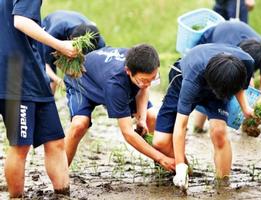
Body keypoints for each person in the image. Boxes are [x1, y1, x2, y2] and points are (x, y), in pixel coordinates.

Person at [0, 0, 78, 198]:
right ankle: (16, 197)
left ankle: (63, 195)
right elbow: (21, 21)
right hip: (16, 76)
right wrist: (60, 45)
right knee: (20, 144)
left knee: (55, 141)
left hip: (33, 74)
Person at [152, 43, 254, 190]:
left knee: (219, 132)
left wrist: (245, 108)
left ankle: (223, 186)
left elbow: (240, 86)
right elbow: (181, 125)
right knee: (161, 142)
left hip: (221, 81)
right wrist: (180, 165)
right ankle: (184, 172)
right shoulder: (192, 79)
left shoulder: (246, 63)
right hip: (183, 79)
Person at [64, 44, 175, 171]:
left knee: (152, 117)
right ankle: (61, 176)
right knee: (79, 125)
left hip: (105, 75)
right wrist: (161, 158)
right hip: (82, 81)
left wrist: (141, 119)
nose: (148, 83)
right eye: (144, 80)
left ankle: (163, 168)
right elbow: (128, 133)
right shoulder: (116, 85)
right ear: (128, 71)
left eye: (152, 78)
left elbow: (144, 88)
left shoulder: (146, 64)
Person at [193, 20, 261, 133]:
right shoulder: (224, 52)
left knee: (249, 86)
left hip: (239, 40)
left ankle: (247, 125)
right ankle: (198, 128)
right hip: (212, 39)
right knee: (211, 89)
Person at [41, 10, 106, 94]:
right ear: (71, 38)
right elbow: (43, 64)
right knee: (50, 80)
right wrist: (59, 81)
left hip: (74, 20)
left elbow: (101, 68)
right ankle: (48, 102)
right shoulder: (55, 32)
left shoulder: (99, 42)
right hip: (51, 26)